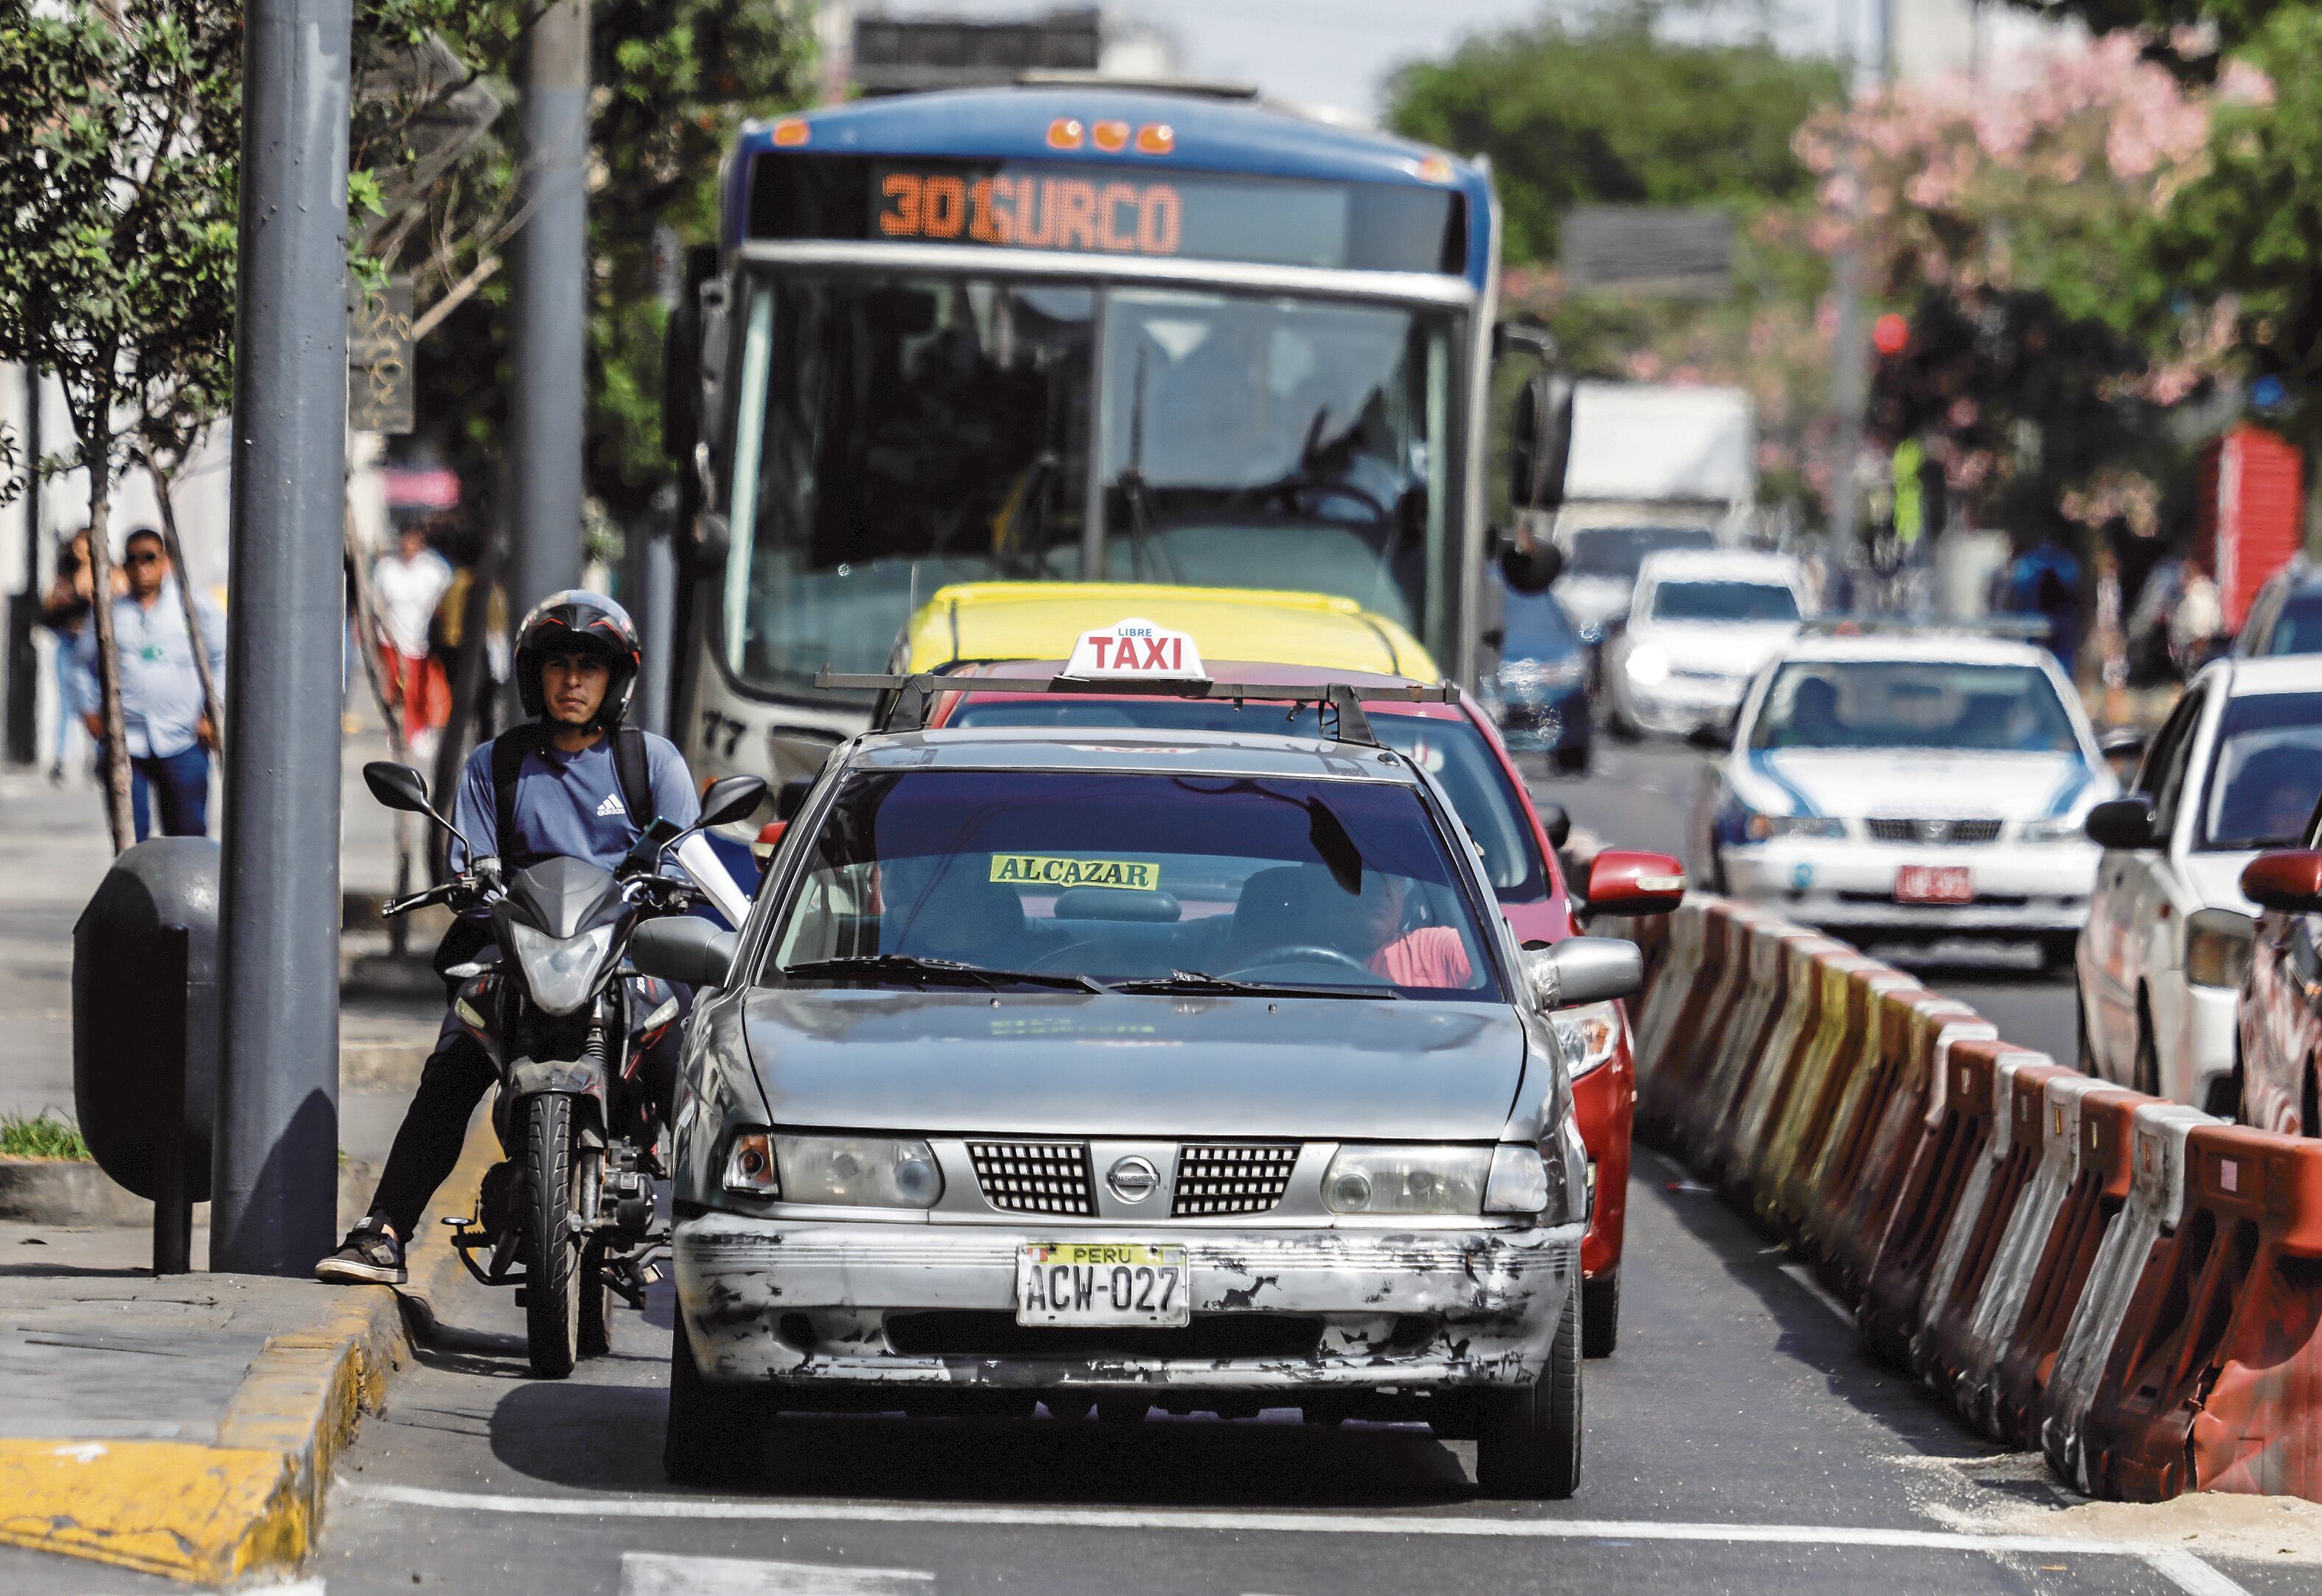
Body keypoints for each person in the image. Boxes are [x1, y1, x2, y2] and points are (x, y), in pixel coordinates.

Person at [318, 592, 711, 1285]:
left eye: (591, 665)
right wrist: (470, 883)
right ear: (535, 676)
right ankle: (382, 1230)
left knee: (689, 1064)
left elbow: (687, 855)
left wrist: (669, 880)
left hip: (625, 959)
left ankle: (720, 1230)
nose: (573, 680)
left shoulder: (654, 765)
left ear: (616, 677)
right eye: (558, 664)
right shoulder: (494, 766)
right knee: (451, 1067)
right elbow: (467, 864)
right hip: (521, 955)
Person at [74, 528, 224, 840]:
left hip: (183, 740)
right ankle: (137, 891)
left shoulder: (192, 606)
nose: (141, 567)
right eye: (132, 559)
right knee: (131, 838)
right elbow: (82, 666)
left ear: (165, 562)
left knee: (188, 837)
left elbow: (223, 657)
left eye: (149, 558)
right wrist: (89, 711)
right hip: (126, 743)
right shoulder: (109, 611)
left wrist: (215, 711)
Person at [38, 527, 116, 785]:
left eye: (87, 545)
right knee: (67, 703)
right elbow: (48, 607)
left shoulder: (106, 573)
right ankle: (60, 758)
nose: (81, 550)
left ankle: (98, 757)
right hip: (68, 644)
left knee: (97, 700)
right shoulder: (66, 574)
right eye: (79, 545)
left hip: (96, 646)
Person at [372, 523, 455, 759]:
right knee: (399, 687)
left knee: (419, 687)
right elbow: (376, 603)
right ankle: (401, 730)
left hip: (422, 638)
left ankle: (419, 729)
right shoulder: (387, 568)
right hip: (392, 638)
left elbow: (445, 600)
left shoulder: (435, 569)